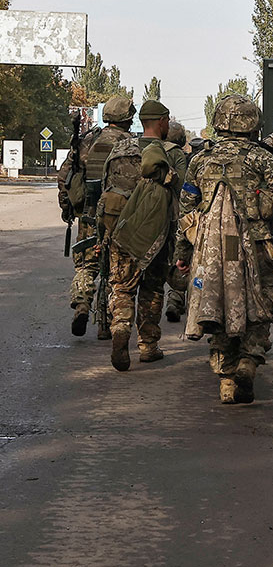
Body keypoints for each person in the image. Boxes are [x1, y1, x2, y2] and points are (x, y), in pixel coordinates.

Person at [175, 95, 273, 404]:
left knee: (215, 301)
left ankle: (226, 379)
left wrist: (183, 253)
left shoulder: (202, 160)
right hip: (257, 246)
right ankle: (248, 360)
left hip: (210, 250)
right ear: (252, 123)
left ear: (220, 121)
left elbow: (186, 208)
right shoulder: (263, 158)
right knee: (262, 303)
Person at [99, 100, 186, 371]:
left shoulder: (119, 149)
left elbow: (103, 186)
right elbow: (183, 195)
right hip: (156, 233)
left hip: (120, 232)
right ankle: (148, 346)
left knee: (122, 286)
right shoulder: (170, 152)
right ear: (161, 122)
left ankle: (120, 331)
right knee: (152, 288)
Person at [56, 96, 135, 338]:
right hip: (118, 218)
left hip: (88, 215)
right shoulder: (131, 145)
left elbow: (65, 177)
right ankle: (107, 321)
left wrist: (67, 207)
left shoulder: (87, 141)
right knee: (115, 269)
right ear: (128, 120)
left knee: (85, 265)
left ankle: (82, 305)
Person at [164, 121, 189, 322]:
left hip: (152, 216)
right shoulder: (178, 154)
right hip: (174, 213)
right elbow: (184, 187)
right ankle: (175, 298)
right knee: (179, 257)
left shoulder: (151, 149)